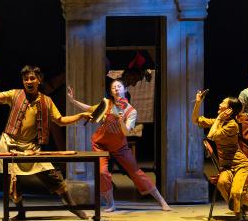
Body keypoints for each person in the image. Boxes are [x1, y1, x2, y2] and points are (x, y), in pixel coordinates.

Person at [0, 61, 93, 219]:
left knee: (51, 174)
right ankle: (20, 212)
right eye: (26, 79)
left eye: (32, 78)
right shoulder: (14, 95)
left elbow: (60, 120)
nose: (29, 82)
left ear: (39, 80)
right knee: (12, 182)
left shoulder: (46, 101)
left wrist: (81, 115)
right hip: (9, 144)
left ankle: (72, 206)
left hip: (30, 147)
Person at [67, 79, 171, 212]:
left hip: (119, 145)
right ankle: (111, 203)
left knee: (136, 172)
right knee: (102, 172)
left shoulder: (131, 111)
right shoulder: (107, 104)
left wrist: (121, 121)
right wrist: (73, 101)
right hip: (101, 144)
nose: (116, 88)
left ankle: (162, 201)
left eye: (119, 86)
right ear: (111, 91)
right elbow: (91, 109)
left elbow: (127, 131)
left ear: (125, 90)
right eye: (113, 87)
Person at [192, 90, 248, 221]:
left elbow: (211, 136)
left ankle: (239, 211)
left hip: (241, 165)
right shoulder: (220, 122)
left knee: (236, 192)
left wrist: (218, 119)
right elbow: (195, 119)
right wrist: (198, 102)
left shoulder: (232, 125)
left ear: (229, 110)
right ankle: (246, 205)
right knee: (222, 183)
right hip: (226, 166)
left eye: (222, 103)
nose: (219, 104)